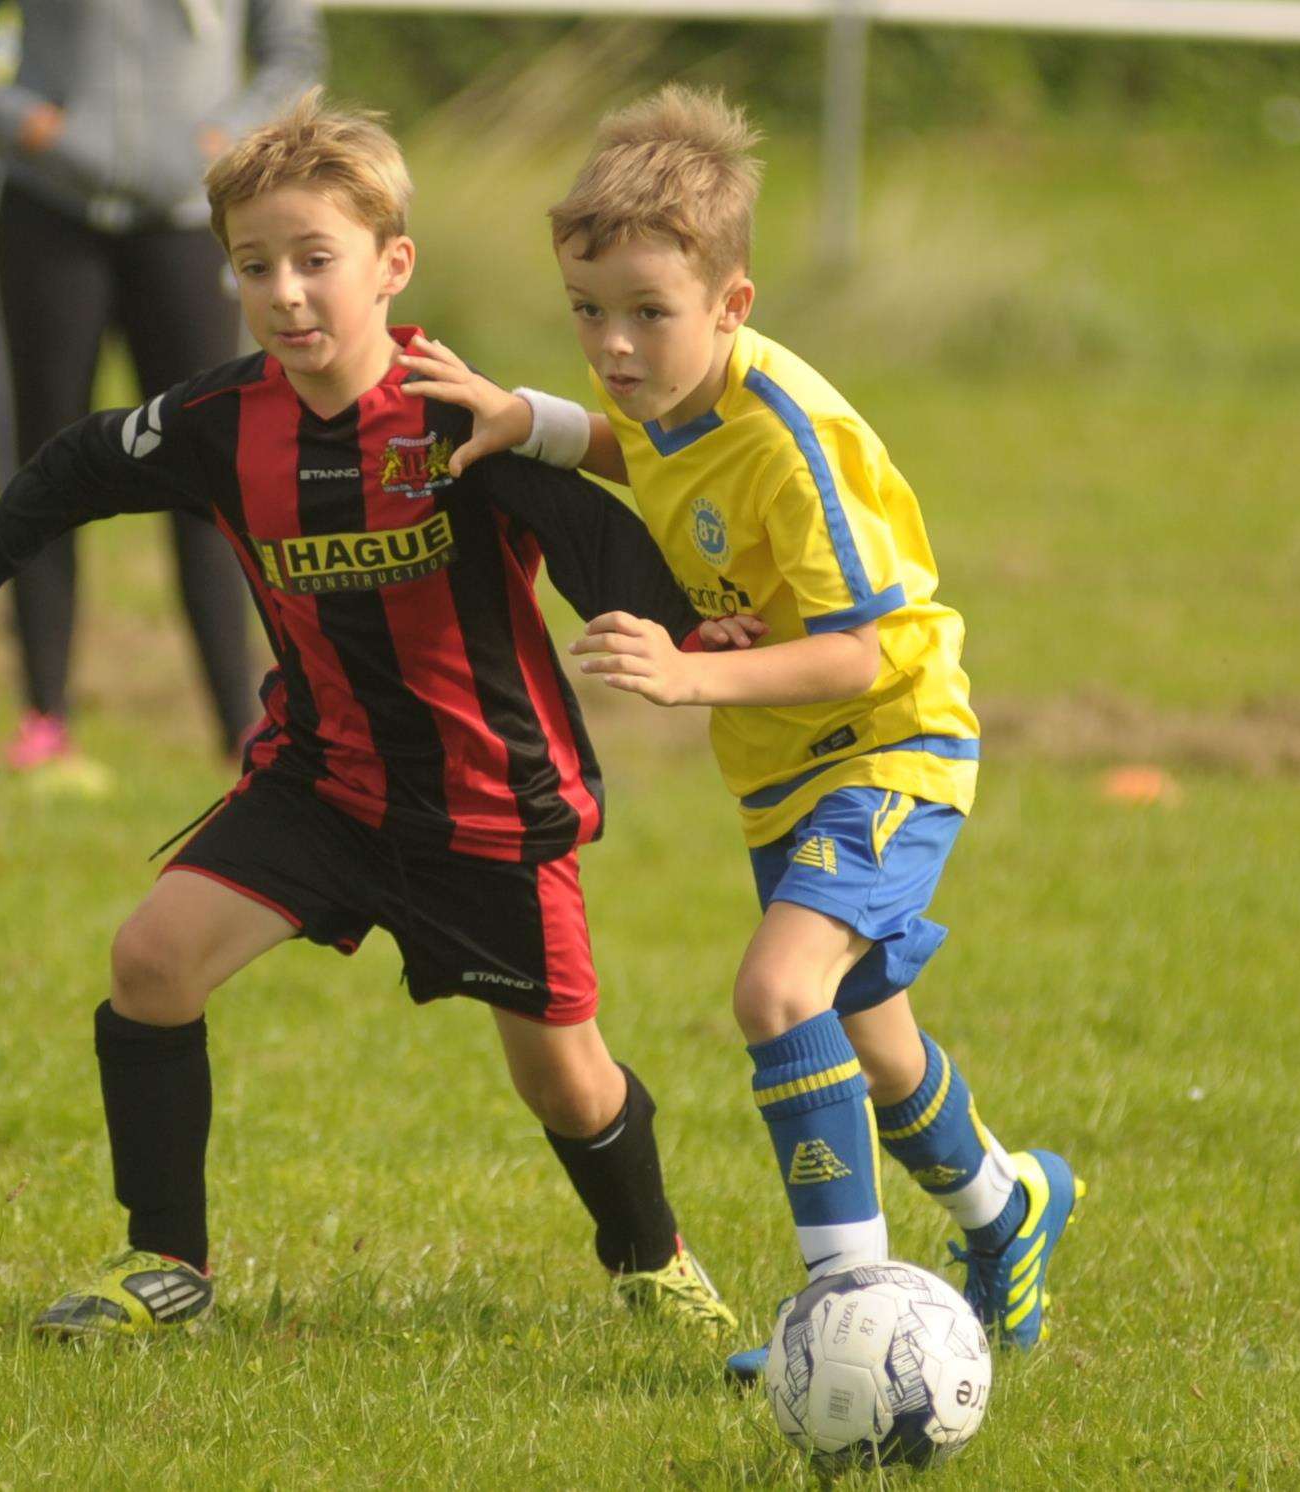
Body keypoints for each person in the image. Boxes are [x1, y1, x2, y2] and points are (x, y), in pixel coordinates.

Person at [0, 93, 755, 1340]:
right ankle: (165, 1261)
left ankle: (654, 1262)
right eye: (254, 266)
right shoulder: (221, 427)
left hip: (487, 806)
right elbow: (67, 467)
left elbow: (604, 542)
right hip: (318, 786)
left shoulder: (463, 421)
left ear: (392, 266)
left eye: (315, 261)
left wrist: (701, 631)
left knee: (562, 1076)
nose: (285, 294)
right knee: (151, 963)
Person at [397, 85, 1082, 1368]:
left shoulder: (790, 439)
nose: (613, 345)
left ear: (733, 305)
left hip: (889, 748)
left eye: (648, 313)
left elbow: (870, 645)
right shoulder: (672, 395)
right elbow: (640, 446)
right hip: (784, 775)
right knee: (875, 1040)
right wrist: (528, 417)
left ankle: (849, 1316)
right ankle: (1008, 1202)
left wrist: (687, 673)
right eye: (587, 311)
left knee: (775, 993)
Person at [0, 0, 326, 776]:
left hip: (190, 223)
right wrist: (34, 127)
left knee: (212, 471)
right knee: (43, 471)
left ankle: (243, 729)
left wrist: (225, 139)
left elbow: (293, 52)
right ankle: (44, 722)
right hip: (47, 212)